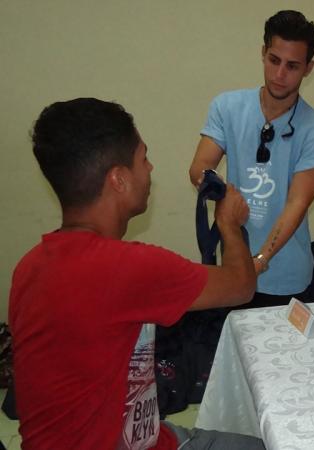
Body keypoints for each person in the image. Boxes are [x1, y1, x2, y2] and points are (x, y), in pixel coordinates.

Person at [9, 98, 266, 449]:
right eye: (143, 158)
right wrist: (228, 224)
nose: (150, 168)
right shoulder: (127, 267)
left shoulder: (30, 266)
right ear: (118, 179)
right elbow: (241, 286)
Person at [189, 10, 314, 307]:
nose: (280, 75)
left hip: (285, 277)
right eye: (274, 60)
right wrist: (220, 190)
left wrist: (259, 261)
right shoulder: (227, 107)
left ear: (309, 68)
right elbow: (199, 168)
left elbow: (297, 204)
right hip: (232, 267)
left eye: (292, 66)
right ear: (263, 53)